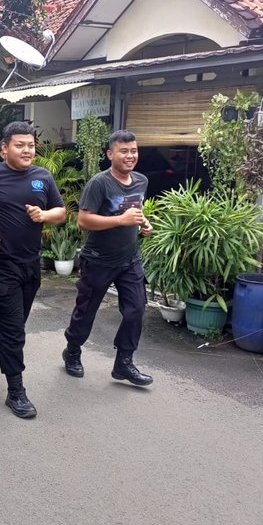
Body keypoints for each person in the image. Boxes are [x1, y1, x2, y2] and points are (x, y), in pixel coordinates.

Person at [0, 122, 66, 418]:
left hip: (31, 264)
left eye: (31, 145)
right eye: (20, 145)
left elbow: (60, 212)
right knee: (15, 331)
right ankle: (16, 391)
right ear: (4, 148)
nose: (27, 150)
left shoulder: (42, 177)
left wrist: (44, 214)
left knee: (13, 320)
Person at [61, 130, 154, 387]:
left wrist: (143, 222)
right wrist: (120, 220)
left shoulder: (141, 181)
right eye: (123, 151)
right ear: (110, 154)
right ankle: (72, 350)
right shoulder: (99, 183)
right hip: (99, 259)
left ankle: (124, 362)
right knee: (86, 311)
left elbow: (134, 209)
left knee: (136, 309)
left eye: (133, 150)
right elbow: (83, 220)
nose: (130, 155)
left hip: (129, 259)